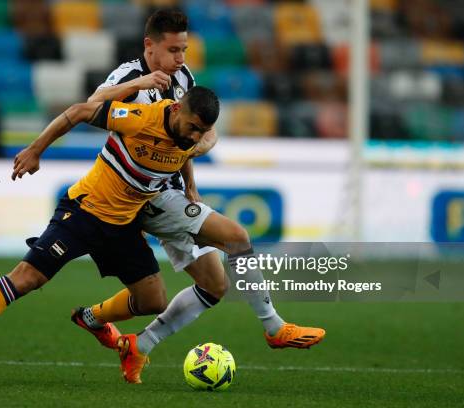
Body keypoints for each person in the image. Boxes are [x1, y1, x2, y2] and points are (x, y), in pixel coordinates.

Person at [71, 10, 325, 384]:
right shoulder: (129, 76)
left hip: (167, 190)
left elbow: (185, 137)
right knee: (237, 238)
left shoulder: (183, 78)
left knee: (214, 284)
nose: (180, 58)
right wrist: (140, 81)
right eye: (173, 50)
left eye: (184, 49)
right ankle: (274, 328)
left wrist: (190, 179)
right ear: (150, 46)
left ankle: (132, 343)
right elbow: (92, 104)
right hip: (138, 193)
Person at [0, 85, 220, 384]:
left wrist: (190, 186)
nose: (196, 136)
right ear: (176, 111)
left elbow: (181, 151)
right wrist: (35, 149)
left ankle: (91, 318)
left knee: (153, 300)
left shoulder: (185, 133)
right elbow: (79, 111)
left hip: (123, 225)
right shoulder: (139, 117)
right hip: (85, 211)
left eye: (203, 131)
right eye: (194, 128)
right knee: (28, 277)